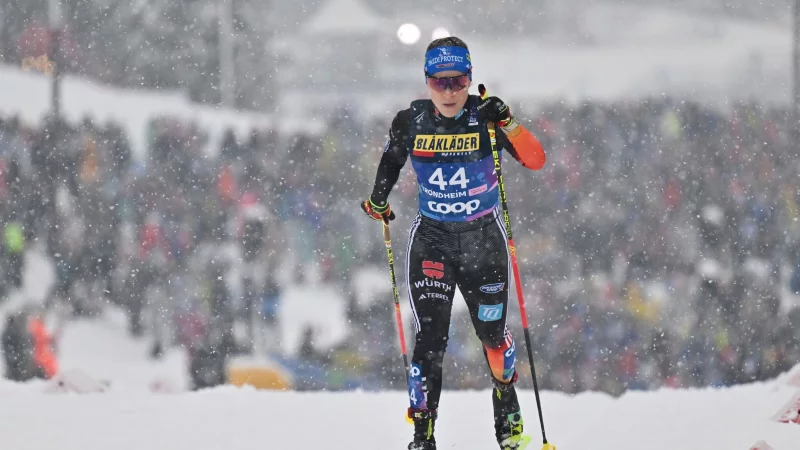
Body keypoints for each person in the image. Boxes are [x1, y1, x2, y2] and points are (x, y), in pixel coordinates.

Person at [360, 37, 545, 450]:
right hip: (433, 241)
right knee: (430, 340)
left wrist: (510, 121)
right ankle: (423, 435)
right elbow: (391, 160)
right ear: (426, 81)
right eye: (439, 82)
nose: (449, 92)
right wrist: (377, 201)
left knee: (493, 337)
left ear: (470, 79)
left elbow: (535, 160)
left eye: (458, 81)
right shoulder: (411, 120)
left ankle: (506, 400)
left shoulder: (487, 118)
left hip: (483, 240)